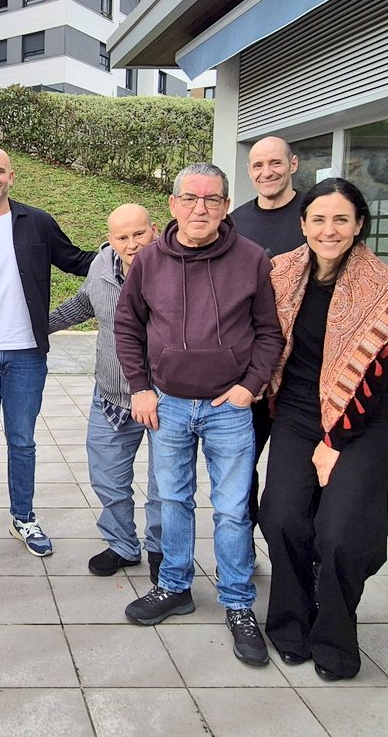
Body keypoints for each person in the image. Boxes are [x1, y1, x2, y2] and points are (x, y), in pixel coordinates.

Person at [114, 162, 284, 667]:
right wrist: (141, 388)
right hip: (167, 403)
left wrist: (248, 387)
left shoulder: (251, 259)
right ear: (172, 204)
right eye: (190, 198)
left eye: (211, 200)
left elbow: (269, 332)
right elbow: (128, 328)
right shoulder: (149, 262)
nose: (199, 209)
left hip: (226, 408)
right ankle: (175, 587)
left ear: (225, 207)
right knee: (173, 499)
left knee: (233, 508)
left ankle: (237, 603)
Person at [260, 178, 388, 680]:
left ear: (359, 226)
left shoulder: (380, 288)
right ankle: (289, 623)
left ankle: (336, 636)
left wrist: (335, 442)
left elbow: (375, 376)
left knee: (341, 534)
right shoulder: (280, 273)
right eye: (319, 219)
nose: (329, 229)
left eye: (341, 219)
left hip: (359, 421)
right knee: (282, 518)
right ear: (303, 224)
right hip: (298, 414)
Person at [0, 145, 94, 558]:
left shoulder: (37, 223)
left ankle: (23, 517)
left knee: (23, 439)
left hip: (26, 352)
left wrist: (128, 253)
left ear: (11, 177)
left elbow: (76, 260)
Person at [48, 204, 164, 579]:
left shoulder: (174, 269)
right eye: (122, 237)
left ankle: (163, 549)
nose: (131, 244)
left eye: (139, 234)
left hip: (164, 399)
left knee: (165, 484)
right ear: (110, 239)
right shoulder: (101, 265)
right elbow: (83, 304)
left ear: (155, 230)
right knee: (107, 478)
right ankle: (123, 545)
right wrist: (36, 328)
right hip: (111, 396)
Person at [230, 137, 306, 541]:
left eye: (275, 163)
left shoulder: (313, 215)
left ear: (293, 163)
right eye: (258, 165)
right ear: (249, 171)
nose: (267, 172)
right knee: (241, 472)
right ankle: (242, 550)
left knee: (297, 478)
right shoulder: (237, 222)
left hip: (304, 371)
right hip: (253, 371)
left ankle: (300, 555)